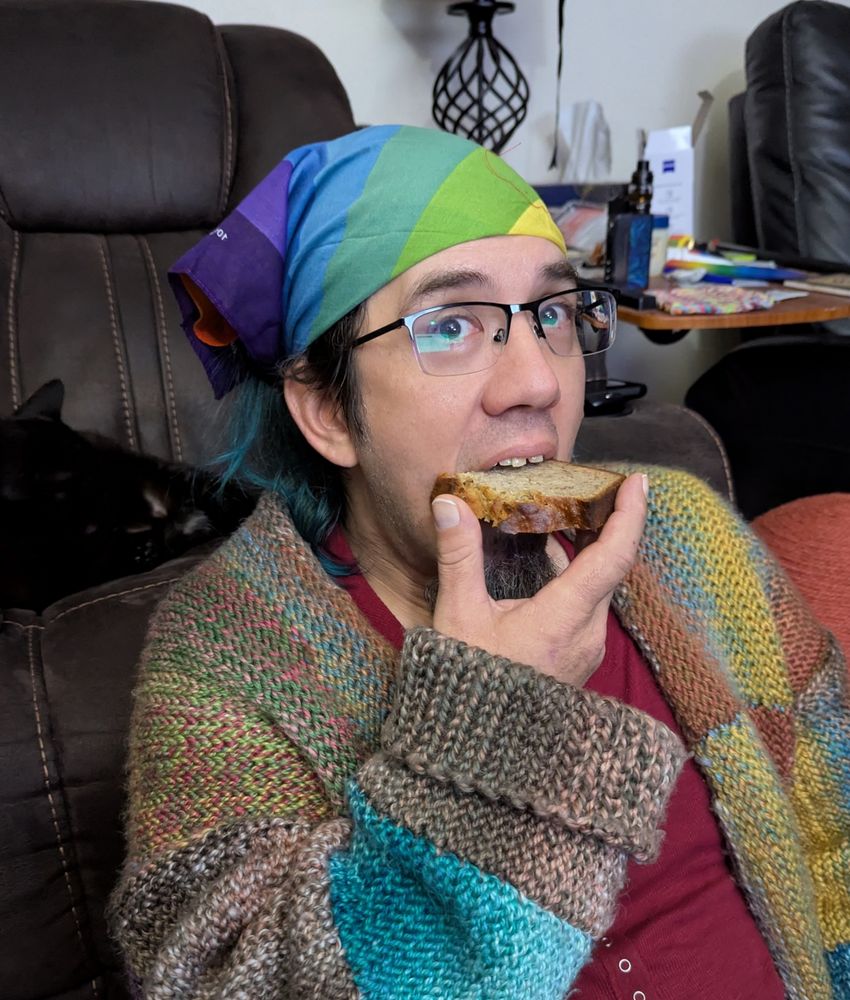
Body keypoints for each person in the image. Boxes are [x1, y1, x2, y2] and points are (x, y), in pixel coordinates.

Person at [111, 125, 850, 1000]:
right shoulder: (228, 653)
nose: (537, 381)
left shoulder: (686, 535)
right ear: (326, 412)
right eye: (453, 324)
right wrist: (496, 730)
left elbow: (835, 840)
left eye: (553, 314)